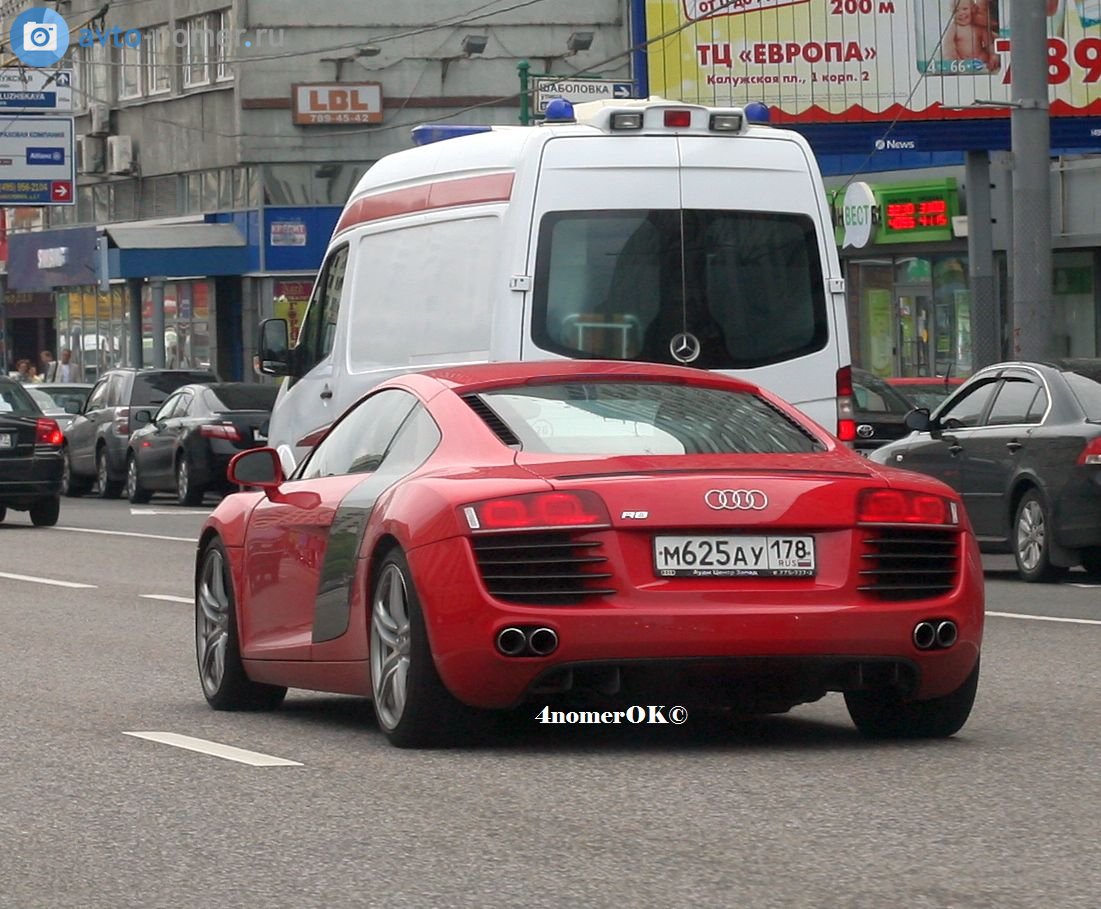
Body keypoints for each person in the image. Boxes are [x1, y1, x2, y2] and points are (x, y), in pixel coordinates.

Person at [945, 0, 999, 72]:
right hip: (962, 62)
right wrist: (953, 58)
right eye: (956, 11)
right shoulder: (954, 27)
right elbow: (949, 43)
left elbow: (989, 43)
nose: (961, 13)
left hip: (980, 60)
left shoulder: (980, 27)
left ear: (973, 10)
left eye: (965, 9)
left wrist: (993, 55)